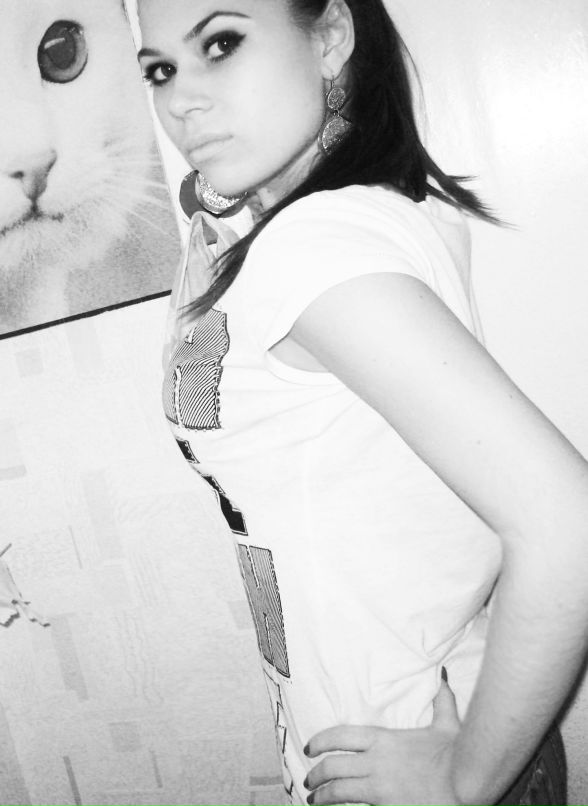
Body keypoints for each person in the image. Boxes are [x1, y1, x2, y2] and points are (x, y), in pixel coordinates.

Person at [136, 0, 588, 804]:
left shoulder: (315, 249)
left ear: (331, 36)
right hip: (409, 725)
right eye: (162, 69)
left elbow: (569, 525)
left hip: (401, 753)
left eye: (222, 43)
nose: (182, 100)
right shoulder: (374, 212)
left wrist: (462, 780)